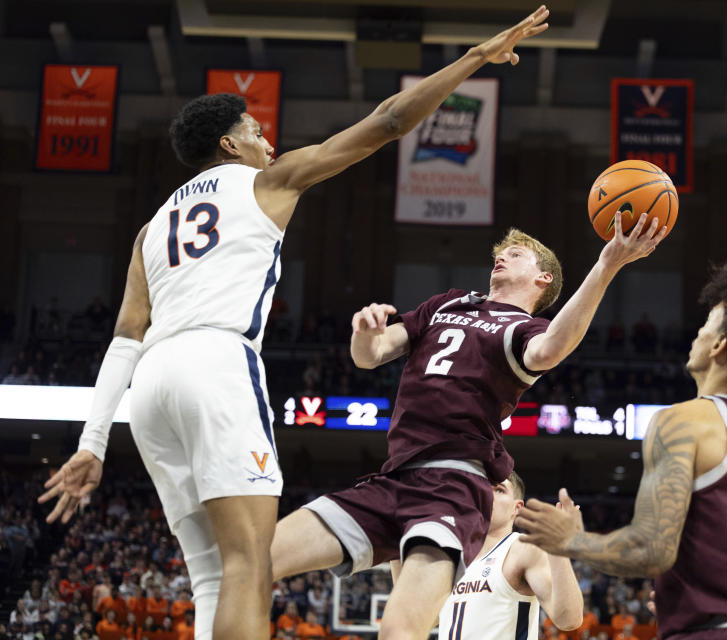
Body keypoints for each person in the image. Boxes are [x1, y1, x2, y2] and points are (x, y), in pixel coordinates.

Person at [36, 6, 551, 640]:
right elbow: (388, 122)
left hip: (148, 392)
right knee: (250, 564)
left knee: (212, 576)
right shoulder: (267, 182)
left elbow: (124, 337)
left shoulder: (151, 228)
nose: (267, 140)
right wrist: (475, 58)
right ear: (229, 144)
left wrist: (92, 443)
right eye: (254, 129)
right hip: (216, 365)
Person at [270, 209, 666, 640]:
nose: (501, 257)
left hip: (452, 484)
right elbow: (371, 355)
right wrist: (363, 332)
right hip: (393, 478)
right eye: (500, 252)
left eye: (516, 255)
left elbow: (551, 349)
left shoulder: (523, 329)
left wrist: (607, 264)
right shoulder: (449, 302)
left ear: (543, 279)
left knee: (399, 631)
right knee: (254, 560)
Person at [517, 257, 727, 640]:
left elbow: (651, 549)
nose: (695, 335)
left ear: (719, 345)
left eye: (704, 326)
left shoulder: (685, 422)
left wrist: (570, 541)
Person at [437, 471, 583, 639]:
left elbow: (569, 619)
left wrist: (559, 547)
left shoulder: (523, 548)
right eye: (482, 487)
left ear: (517, 507)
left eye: (499, 490)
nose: (487, 493)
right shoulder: (452, 558)